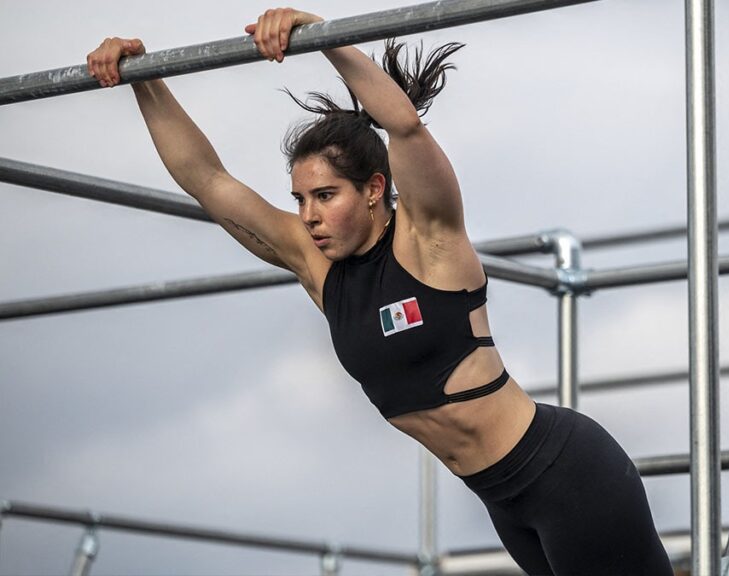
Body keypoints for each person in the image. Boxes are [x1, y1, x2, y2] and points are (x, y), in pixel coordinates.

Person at [87, 8, 672, 574]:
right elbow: (207, 180)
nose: (309, 215)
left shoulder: (430, 242)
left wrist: (319, 34)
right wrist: (144, 79)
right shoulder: (320, 271)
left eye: (325, 195)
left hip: (564, 474)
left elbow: (404, 124)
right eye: (300, 200)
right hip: (503, 499)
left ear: (373, 190)